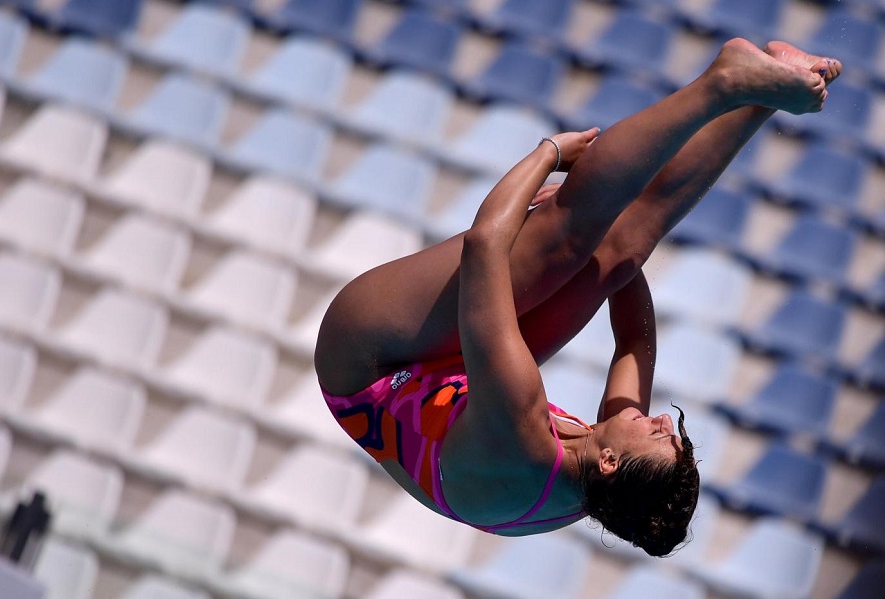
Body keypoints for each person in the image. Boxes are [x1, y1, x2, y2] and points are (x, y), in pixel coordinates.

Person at [315, 38, 841, 555]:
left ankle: (722, 81)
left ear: (610, 463)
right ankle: (765, 90)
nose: (664, 422)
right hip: (447, 377)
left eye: (660, 436)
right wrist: (615, 249)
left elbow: (486, 246)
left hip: (368, 361)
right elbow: (634, 339)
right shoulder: (612, 476)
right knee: (624, 250)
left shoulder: (518, 432)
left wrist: (548, 155)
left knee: (564, 236)